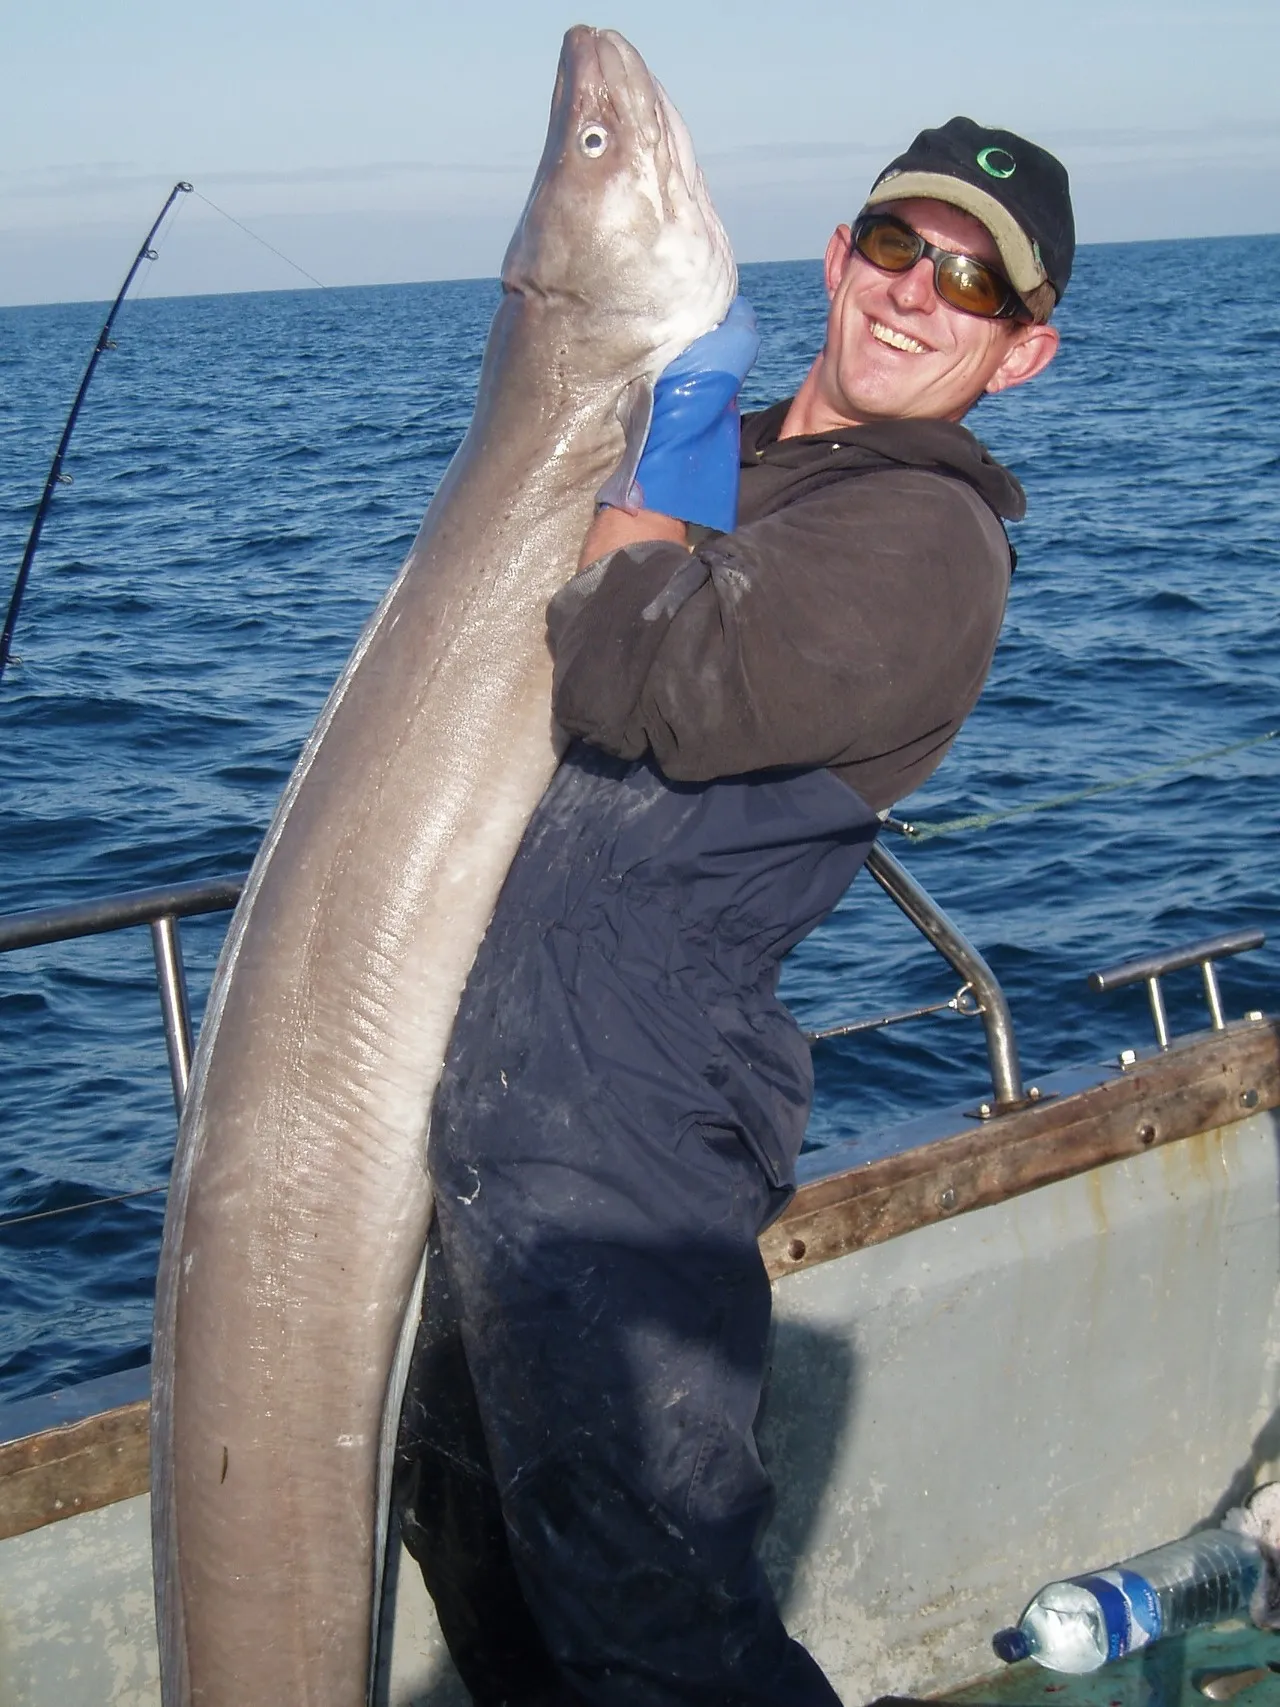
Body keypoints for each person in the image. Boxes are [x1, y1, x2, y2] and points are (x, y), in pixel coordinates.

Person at [395, 117, 1074, 1707]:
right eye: (898, 247)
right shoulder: (756, 459)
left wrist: (677, 418)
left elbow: (636, 667)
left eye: (972, 282)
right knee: (470, 1537)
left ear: (1022, 352)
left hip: (624, 1129)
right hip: (486, 1109)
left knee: (658, 1626)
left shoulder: (924, 537)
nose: (919, 294)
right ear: (839, 259)